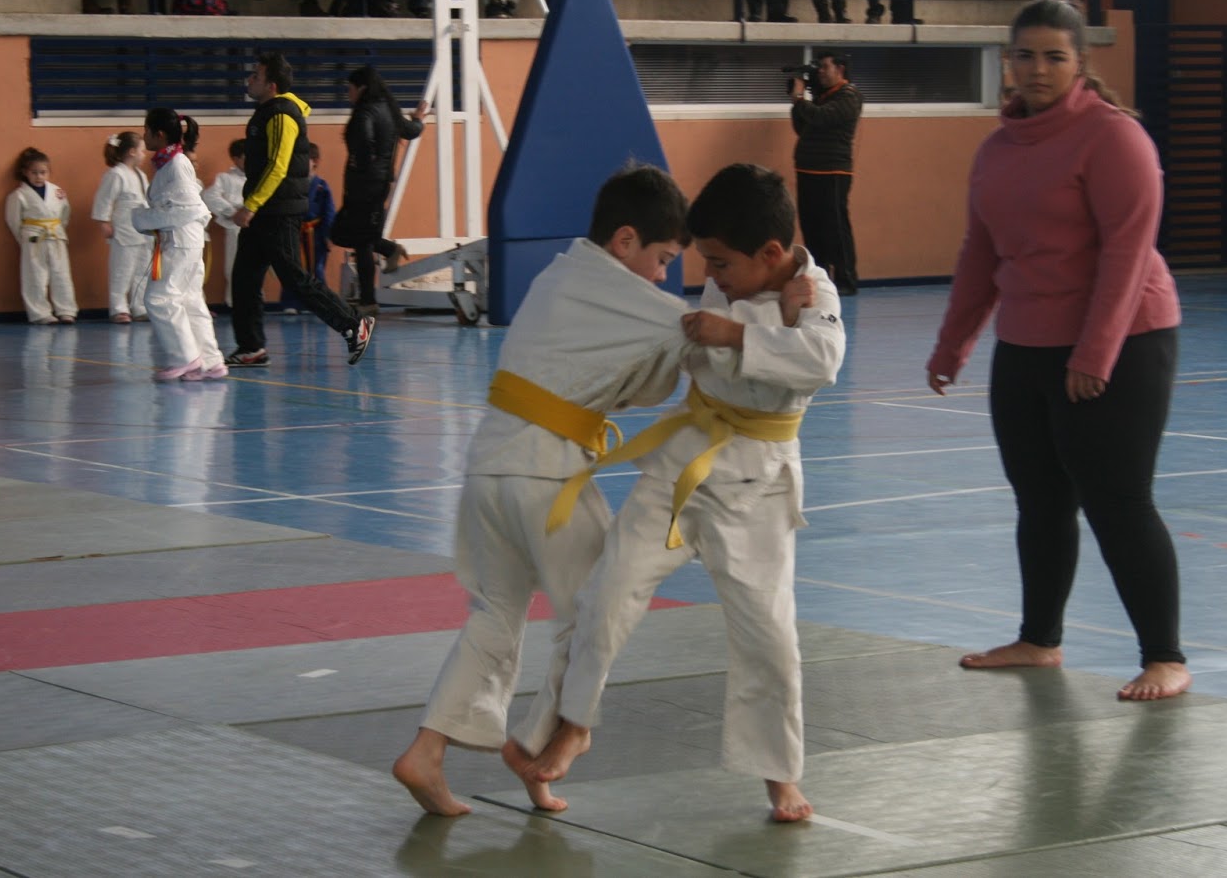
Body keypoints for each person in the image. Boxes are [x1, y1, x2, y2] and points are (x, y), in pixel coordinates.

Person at [519, 163, 846, 824]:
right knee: (607, 592)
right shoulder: (736, 275)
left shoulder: (813, 293)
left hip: (756, 484)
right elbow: (689, 348)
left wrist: (742, 335)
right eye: (708, 264)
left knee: (768, 638)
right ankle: (573, 720)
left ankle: (779, 773)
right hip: (681, 466)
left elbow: (821, 364)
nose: (713, 278)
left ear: (772, 255)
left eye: (721, 266)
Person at [391, 165, 692, 817]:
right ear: (624, 240)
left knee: (496, 614)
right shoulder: (626, 294)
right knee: (592, 615)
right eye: (663, 258)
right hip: (543, 472)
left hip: (489, 465)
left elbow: (636, 382)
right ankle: (536, 746)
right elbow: (692, 335)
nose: (664, 275)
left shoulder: (561, 274)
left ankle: (428, 751)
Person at [927, 0, 1189, 703]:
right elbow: (980, 252)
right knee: (1039, 500)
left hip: (1123, 342)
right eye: (1025, 55)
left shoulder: (1114, 139)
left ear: (1080, 64)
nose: (1037, 69)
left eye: (1054, 56)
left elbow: (1127, 254)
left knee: (1118, 501)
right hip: (1027, 341)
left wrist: (1094, 356)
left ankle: (1165, 657)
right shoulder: (997, 150)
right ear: (1007, 62)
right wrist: (953, 344)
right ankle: (1039, 639)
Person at [226, 51, 376, 367]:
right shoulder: (266, 112)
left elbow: (279, 166)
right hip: (265, 211)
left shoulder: (282, 114)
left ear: (272, 84)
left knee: (295, 279)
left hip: (277, 211)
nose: (250, 79)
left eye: (256, 75)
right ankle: (251, 346)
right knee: (244, 279)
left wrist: (251, 205)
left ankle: (353, 323)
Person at [130, 109, 227, 380]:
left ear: (158, 135)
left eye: (146, 131)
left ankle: (186, 357)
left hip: (182, 241)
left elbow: (187, 209)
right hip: (184, 240)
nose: (144, 136)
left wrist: (141, 218)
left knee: (159, 298)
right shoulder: (171, 163)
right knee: (190, 300)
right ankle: (211, 362)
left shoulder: (176, 164)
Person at [333, 65, 426, 318]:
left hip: (365, 184)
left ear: (361, 87)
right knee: (356, 235)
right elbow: (411, 131)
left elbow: (363, 143)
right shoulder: (389, 108)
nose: (348, 94)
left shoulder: (365, 113)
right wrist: (418, 118)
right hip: (379, 183)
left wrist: (361, 165)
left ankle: (368, 300)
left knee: (357, 239)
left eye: (350, 88)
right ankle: (388, 250)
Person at [791, 50, 862, 295]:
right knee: (812, 227)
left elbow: (821, 119)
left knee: (835, 227)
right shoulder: (822, 98)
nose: (819, 72)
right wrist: (799, 101)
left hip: (833, 171)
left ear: (840, 69)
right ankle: (820, 277)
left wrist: (801, 98)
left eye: (824, 67)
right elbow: (802, 127)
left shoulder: (849, 96)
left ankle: (846, 280)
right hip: (807, 169)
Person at [4, 147, 79, 324]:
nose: (39, 176)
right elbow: (14, 220)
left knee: (61, 274)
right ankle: (40, 313)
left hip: (55, 235)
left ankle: (66, 310)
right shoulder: (18, 195)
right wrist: (24, 237)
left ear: (49, 172)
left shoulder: (57, 192)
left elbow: (65, 213)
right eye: (34, 172)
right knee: (35, 276)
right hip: (33, 237)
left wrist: (58, 229)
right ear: (25, 172)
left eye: (43, 172)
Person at [92, 130, 151, 324]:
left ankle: (139, 306)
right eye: (142, 150)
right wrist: (104, 222)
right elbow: (104, 200)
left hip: (143, 229)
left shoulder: (141, 175)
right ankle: (119, 308)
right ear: (132, 151)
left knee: (142, 270)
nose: (144, 154)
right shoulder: (116, 174)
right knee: (122, 270)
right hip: (124, 230)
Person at [279, 142, 336, 314]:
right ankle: (291, 303)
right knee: (292, 268)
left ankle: (318, 304)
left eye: (305, 160)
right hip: (293, 232)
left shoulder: (321, 186)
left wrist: (328, 235)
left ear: (315, 161)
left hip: (315, 234)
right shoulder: (288, 183)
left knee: (316, 269)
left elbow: (329, 212)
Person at [201, 137, 247, 305]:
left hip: (257, 225)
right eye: (245, 157)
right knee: (234, 265)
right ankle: (236, 301)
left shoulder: (259, 178)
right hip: (236, 226)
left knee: (256, 265)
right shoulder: (225, 178)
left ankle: (253, 300)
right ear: (236, 159)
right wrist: (232, 211)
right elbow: (209, 196)